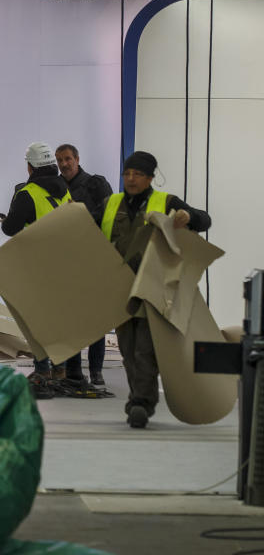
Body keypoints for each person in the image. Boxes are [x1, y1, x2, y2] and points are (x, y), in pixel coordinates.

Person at [98, 151, 210, 429]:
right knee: (128, 349)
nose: (131, 179)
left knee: (145, 350)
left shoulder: (166, 201)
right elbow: (85, 229)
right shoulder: (110, 203)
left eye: (137, 174)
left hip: (154, 288)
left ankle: (140, 404)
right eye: (127, 174)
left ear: (149, 177)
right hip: (120, 289)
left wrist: (188, 216)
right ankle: (139, 399)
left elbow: (204, 219)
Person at [1, 142, 72, 390]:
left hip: (38, 266)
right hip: (65, 264)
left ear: (30, 167)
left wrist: (10, 215)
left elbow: (10, 228)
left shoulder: (27, 194)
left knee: (36, 321)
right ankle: (61, 368)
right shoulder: (65, 190)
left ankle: (43, 370)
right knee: (59, 320)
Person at [56, 143, 113, 386]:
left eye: (68, 159)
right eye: (60, 160)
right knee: (68, 318)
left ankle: (97, 370)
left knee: (95, 318)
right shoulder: (55, 187)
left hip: (94, 258)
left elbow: (110, 213)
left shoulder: (96, 184)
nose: (64, 164)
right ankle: (73, 370)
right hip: (65, 261)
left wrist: (80, 215)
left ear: (77, 159)